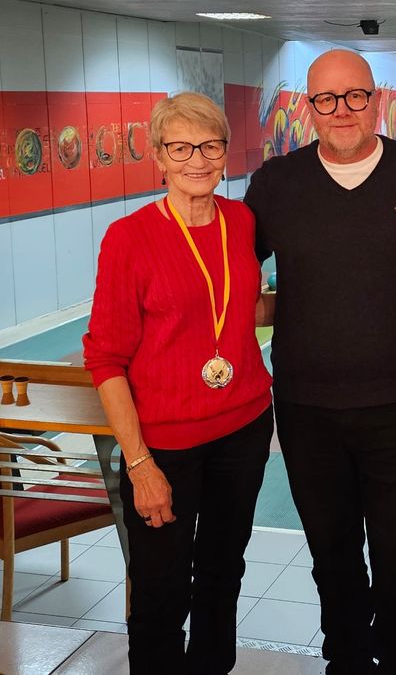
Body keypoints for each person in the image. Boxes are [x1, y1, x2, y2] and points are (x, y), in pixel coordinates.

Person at [244, 49, 396, 675]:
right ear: (309, 108)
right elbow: (234, 284)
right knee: (330, 550)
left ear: (377, 99)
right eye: (326, 100)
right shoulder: (275, 186)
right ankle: (347, 660)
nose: (342, 111)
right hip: (307, 404)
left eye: (355, 96)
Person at [83, 92, 273, 675]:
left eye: (211, 145)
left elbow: (238, 306)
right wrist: (138, 465)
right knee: (161, 587)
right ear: (159, 156)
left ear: (224, 154)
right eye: (181, 147)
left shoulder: (240, 222)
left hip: (241, 428)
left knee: (222, 571)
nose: (198, 159)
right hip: (163, 445)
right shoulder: (129, 237)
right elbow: (106, 359)